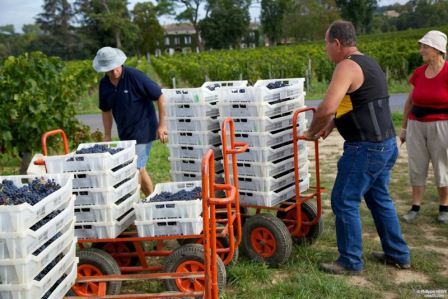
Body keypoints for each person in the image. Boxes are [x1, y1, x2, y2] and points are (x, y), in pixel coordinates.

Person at [304, 20, 410, 275]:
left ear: (337, 43)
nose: (326, 50)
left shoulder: (346, 66)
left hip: (366, 148)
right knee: (379, 199)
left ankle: (350, 261)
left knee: (344, 200)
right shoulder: (368, 62)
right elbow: (353, 103)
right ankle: (398, 254)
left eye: (326, 44)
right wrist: (331, 125)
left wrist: (311, 130)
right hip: (386, 144)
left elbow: (328, 106)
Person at [92, 46, 167, 196]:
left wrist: (162, 125)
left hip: (144, 128)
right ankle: (150, 199)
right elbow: (106, 110)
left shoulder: (135, 76)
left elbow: (159, 95)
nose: (114, 72)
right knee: (138, 167)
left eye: (116, 67)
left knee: (136, 168)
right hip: (125, 133)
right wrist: (107, 134)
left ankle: (133, 202)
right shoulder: (104, 85)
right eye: (109, 69)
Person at [400, 31, 448, 224]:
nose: (421, 50)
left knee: (442, 165)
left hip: (442, 125)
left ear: (437, 49)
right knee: (416, 165)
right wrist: (403, 128)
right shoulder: (419, 73)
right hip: (416, 125)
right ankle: (415, 206)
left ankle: (444, 207)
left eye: (425, 47)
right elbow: (409, 101)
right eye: (422, 46)